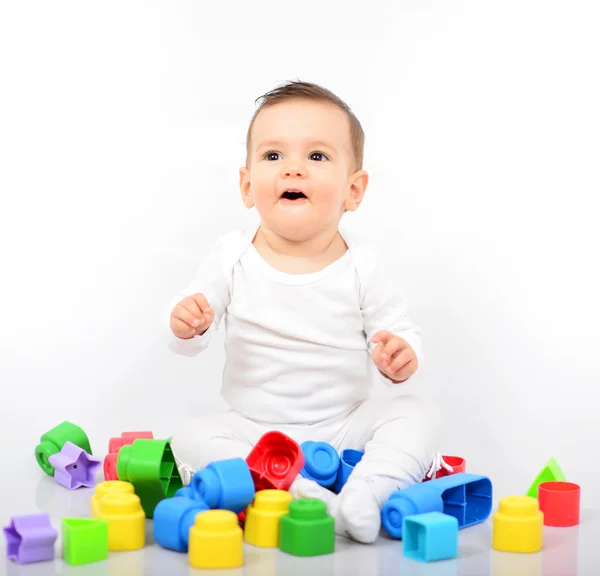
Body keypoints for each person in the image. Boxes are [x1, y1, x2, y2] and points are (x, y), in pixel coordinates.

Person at [164, 80, 443, 543]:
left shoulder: (364, 265)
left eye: (317, 157)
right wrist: (185, 324)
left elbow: (397, 329)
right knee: (189, 436)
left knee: (419, 412)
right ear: (247, 185)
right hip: (253, 431)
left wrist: (401, 354)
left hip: (345, 426)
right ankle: (301, 491)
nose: (293, 169)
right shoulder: (231, 257)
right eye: (274, 156)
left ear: (353, 191)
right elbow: (184, 338)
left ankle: (369, 488)